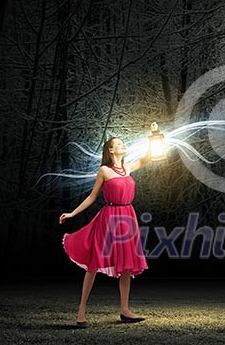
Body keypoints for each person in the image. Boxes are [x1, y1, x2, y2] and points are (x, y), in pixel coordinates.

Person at [59, 137, 152, 328]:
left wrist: (154, 140)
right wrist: (72, 213)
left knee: (127, 264)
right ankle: (81, 311)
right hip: (109, 218)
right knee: (94, 263)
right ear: (110, 150)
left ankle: (125, 310)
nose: (123, 145)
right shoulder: (104, 171)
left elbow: (146, 159)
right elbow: (92, 197)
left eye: (123, 143)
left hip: (128, 218)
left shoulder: (127, 168)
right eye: (119, 143)